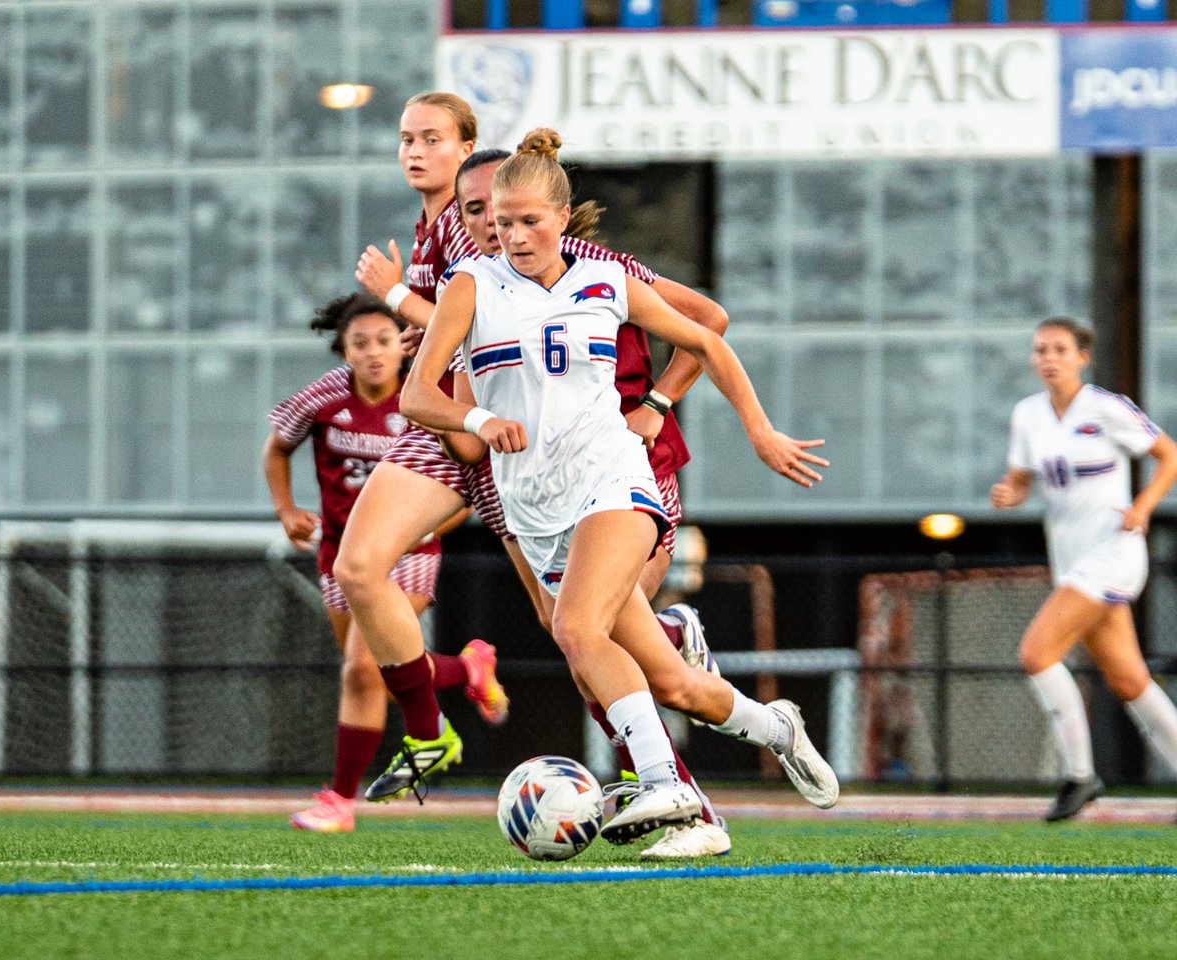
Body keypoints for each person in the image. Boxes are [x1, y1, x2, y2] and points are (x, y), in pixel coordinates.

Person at [398, 127, 840, 846]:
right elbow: (418, 394)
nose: (510, 234)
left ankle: (667, 788)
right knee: (672, 684)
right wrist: (478, 414)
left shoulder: (603, 279)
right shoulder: (470, 286)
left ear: (563, 219)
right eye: (498, 221)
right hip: (533, 507)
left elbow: (705, 337)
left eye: (527, 221)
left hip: (613, 481)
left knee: (576, 630)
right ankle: (776, 726)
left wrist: (757, 430)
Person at [342, 96, 736, 855]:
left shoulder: (574, 257)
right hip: (479, 430)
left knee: (585, 644)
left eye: (433, 139)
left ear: (474, 154)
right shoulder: (440, 233)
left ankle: (680, 797)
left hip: (564, 456)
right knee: (360, 566)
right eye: (406, 139)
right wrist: (462, 403)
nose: (415, 151)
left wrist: (657, 403)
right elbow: (453, 336)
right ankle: (429, 734)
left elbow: (706, 325)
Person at [263, 293, 508, 833]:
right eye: (360, 343)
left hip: (411, 553)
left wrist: (422, 527)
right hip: (339, 553)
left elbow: (462, 484)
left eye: (385, 341)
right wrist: (286, 510)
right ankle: (468, 667)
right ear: (344, 351)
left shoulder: (424, 398)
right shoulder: (327, 395)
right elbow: (276, 446)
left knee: (362, 668)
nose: (374, 353)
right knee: (372, 674)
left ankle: (339, 801)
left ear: (406, 345)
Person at [991, 316, 1177, 821]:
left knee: (1036, 652)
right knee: (1128, 680)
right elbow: (1021, 479)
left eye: (1059, 349)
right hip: (1070, 561)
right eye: (1040, 350)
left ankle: (1080, 774)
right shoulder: (1027, 414)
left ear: (1082, 357)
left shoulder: (1105, 407)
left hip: (1113, 554)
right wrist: (1011, 493)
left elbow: (1168, 455)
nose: (1047, 358)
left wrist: (1142, 507)